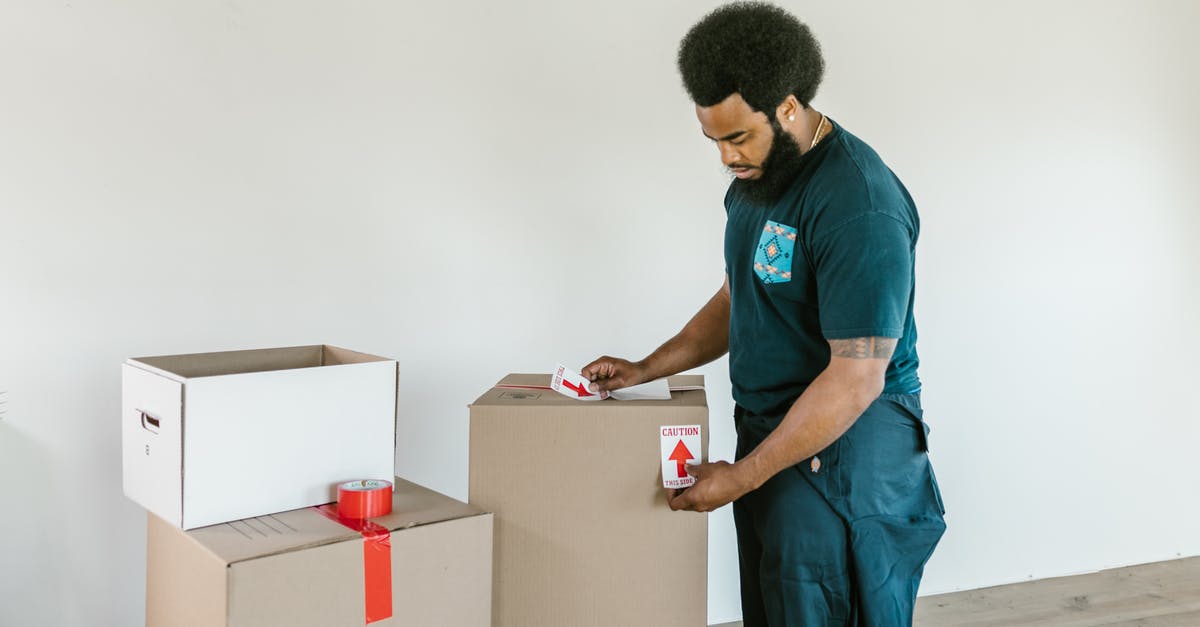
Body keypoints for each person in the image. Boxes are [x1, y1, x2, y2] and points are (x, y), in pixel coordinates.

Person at [582, 3, 946, 625]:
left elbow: (857, 376)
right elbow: (738, 296)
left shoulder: (859, 205)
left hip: (846, 456)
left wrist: (742, 477)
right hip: (775, 440)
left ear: (787, 107)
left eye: (737, 136)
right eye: (714, 140)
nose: (726, 157)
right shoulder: (759, 178)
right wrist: (647, 369)